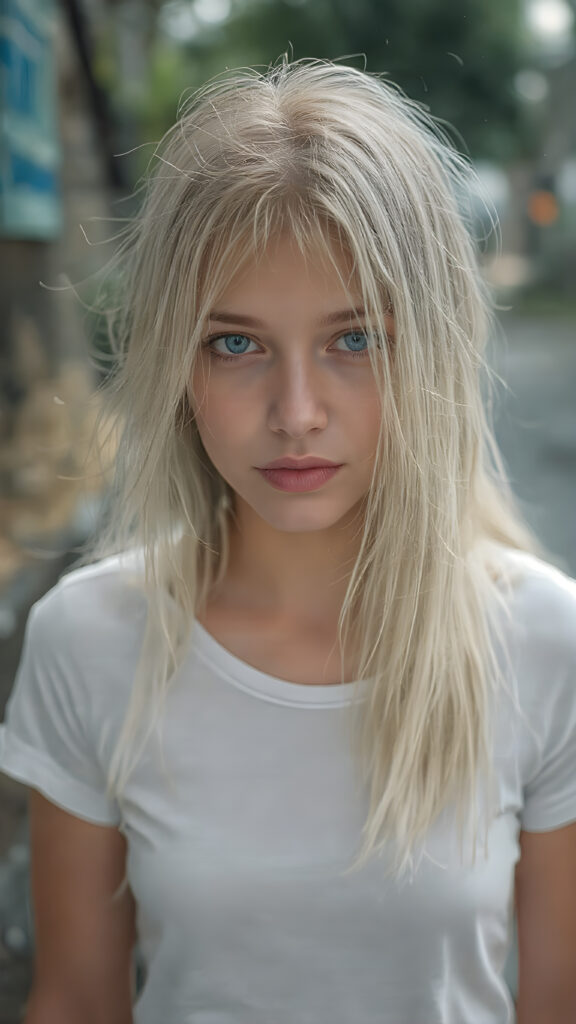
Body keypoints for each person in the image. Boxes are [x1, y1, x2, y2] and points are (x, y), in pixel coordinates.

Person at [0, 57, 575, 1024]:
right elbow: (74, 1001)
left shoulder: (542, 643)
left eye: (356, 340)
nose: (296, 413)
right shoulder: (89, 642)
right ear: (175, 360)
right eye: (237, 343)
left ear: (431, 347)